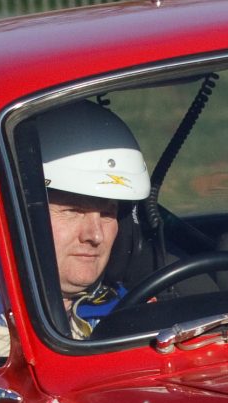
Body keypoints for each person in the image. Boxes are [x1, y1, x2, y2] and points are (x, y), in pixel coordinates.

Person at [31, 100, 149, 335]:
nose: (94, 235)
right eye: (73, 211)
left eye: (107, 214)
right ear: (27, 220)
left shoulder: (135, 314)